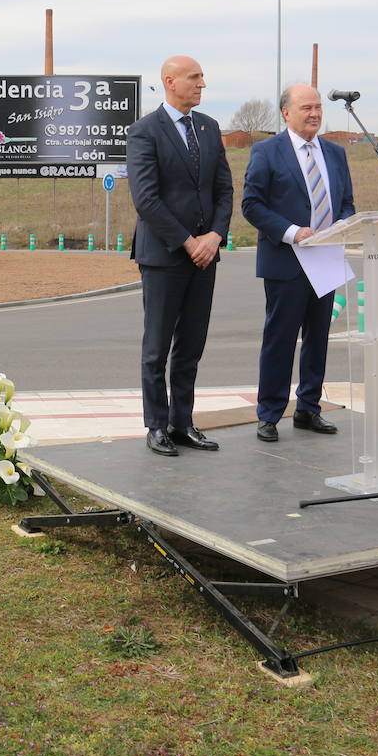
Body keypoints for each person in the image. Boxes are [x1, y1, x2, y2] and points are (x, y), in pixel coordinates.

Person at [126, 55, 234, 457]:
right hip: (165, 256)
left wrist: (215, 236)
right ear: (170, 82)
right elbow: (147, 199)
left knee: (191, 346)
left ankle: (182, 422)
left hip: (206, 256)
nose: (202, 83)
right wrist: (190, 242)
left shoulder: (208, 128)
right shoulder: (144, 132)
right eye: (194, 77)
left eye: (203, 76)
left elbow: (224, 190)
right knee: (156, 348)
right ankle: (156, 425)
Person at [241, 84, 355, 442]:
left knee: (318, 338)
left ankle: (309, 408)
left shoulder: (335, 154)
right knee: (280, 339)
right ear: (286, 113)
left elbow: (347, 203)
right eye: (306, 107)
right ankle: (270, 414)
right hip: (286, 260)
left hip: (326, 259)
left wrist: (343, 224)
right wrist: (292, 232)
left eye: (319, 107)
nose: (315, 113)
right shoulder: (267, 152)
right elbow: (252, 204)